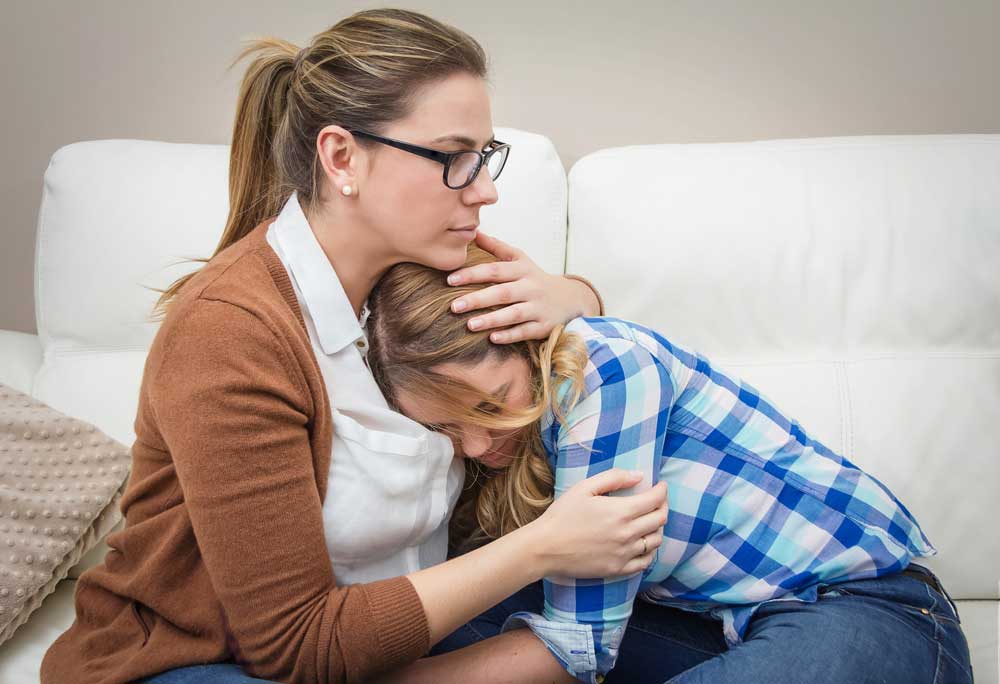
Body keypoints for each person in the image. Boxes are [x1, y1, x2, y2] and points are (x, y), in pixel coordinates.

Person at [39, 9, 669, 684]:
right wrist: (542, 550)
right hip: (197, 661)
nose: (485, 189)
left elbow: (571, 336)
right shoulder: (228, 334)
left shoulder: (436, 266)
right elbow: (295, 646)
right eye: (454, 157)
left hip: (389, 628)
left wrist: (572, 295)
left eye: (485, 156)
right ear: (342, 158)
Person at [363, 244, 975, 684]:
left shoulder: (604, 368)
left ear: (530, 345)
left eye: (490, 404)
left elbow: (581, 645)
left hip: (862, 609)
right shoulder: (501, 437)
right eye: (444, 425)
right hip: (709, 622)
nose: (473, 446)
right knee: (446, 618)